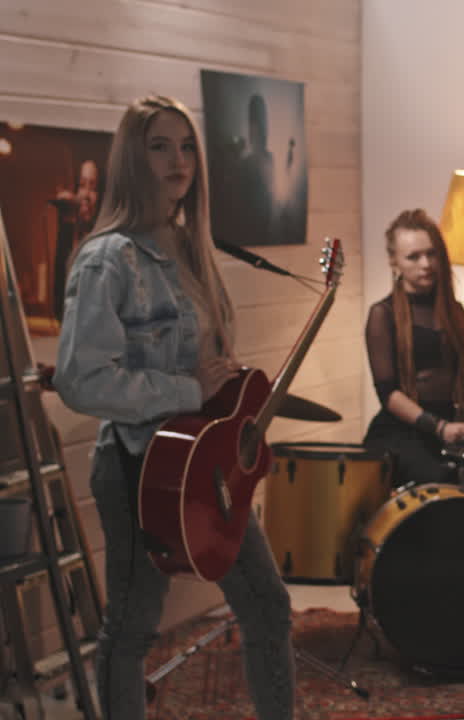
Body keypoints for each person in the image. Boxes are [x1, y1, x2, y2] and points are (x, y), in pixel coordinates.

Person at [53, 95, 294, 720]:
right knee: (132, 629)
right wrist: (185, 389)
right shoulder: (107, 259)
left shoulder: (191, 247)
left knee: (266, 602)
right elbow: (81, 379)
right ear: (133, 158)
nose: (178, 160)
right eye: (160, 146)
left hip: (205, 464)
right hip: (139, 467)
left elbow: (207, 361)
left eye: (186, 146)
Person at [364, 209, 464, 489]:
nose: (426, 264)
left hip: (449, 424)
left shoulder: (454, 310)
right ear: (394, 263)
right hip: (402, 431)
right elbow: (388, 394)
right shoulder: (381, 314)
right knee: (441, 479)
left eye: (431, 254)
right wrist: (440, 428)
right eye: (413, 256)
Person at [50, 158, 101, 323]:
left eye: (93, 187)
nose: (86, 194)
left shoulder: (105, 239)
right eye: (81, 185)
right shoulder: (69, 230)